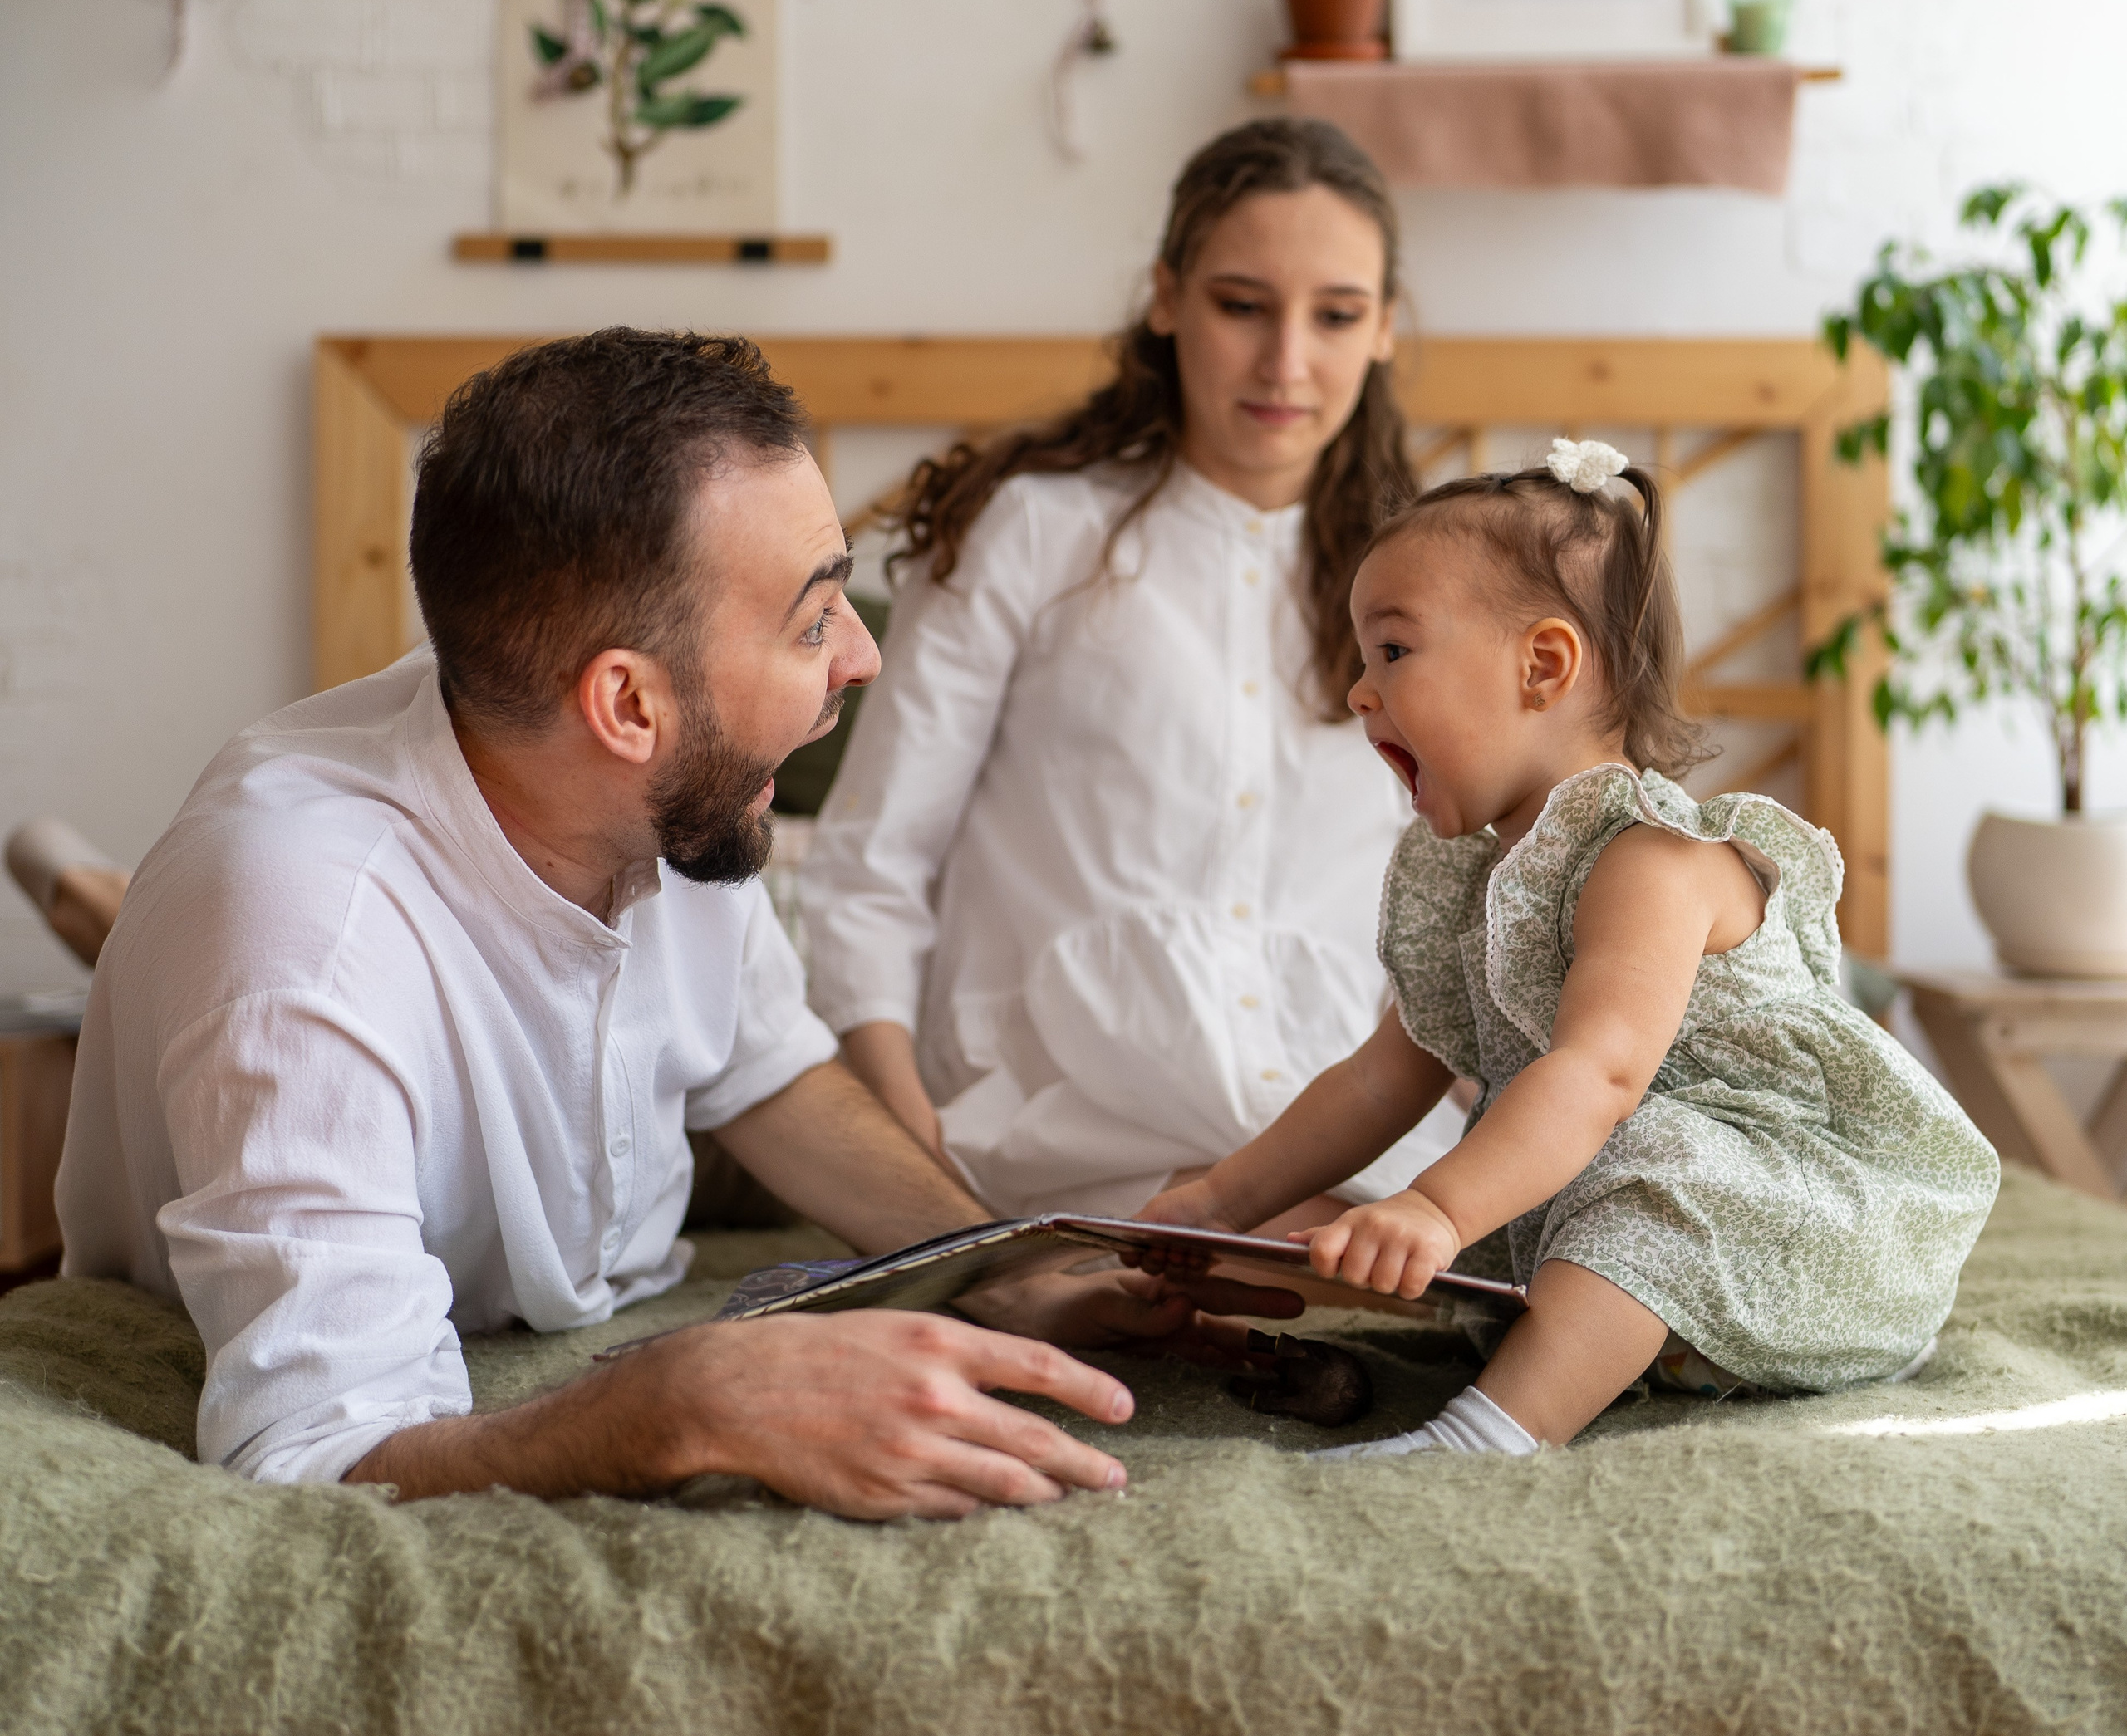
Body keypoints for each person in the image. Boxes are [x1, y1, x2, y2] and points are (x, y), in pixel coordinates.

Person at [56, 331, 1290, 1520]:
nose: (861, 658)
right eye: (814, 620)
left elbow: (772, 1076)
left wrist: (1011, 1272)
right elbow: (317, 1453)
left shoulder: (665, 797)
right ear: (628, 704)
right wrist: (673, 1403)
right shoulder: (304, 936)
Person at [1141, 438, 2001, 1458]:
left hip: (1804, 1241)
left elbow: (1599, 1075)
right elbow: (1380, 1079)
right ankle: (1564, 1349)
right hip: (1651, 1267)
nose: (1359, 693)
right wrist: (1215, 1202)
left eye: (1394, 651)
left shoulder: (1652, 860)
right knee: (1492, 1204)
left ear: (1542, 665)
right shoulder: (1468, 885)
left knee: (1630, 1148)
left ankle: (1489, 1437)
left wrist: (1435, 1204)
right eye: (1361, 660)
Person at [803, 118, 1465, 1224]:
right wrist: (909, 1162)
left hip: (1346, 1115)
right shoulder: (1028, 532)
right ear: (1166, 298)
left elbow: (1478, 887)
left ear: (1386, 328)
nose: (1286, 362)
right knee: (1249, 1256)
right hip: (1058, 1107)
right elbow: (874, 865)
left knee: (1380, 1254)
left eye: (1337, 316)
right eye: (1241, 305)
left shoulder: (1443, 586)